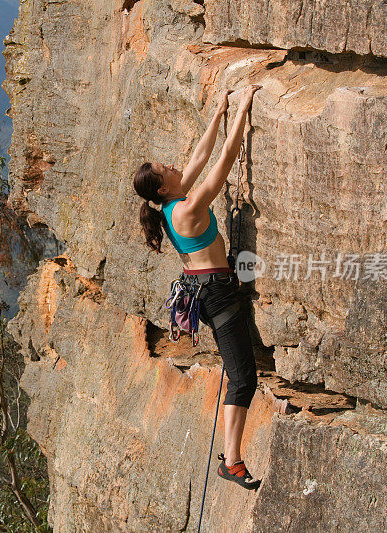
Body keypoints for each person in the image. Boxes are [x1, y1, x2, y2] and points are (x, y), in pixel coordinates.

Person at [132, 84, 261, 489]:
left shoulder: (171, 202)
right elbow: (223, 160)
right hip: (216, 293)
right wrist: (243, 109)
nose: (172, 165)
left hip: (202, 289)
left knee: (239, 369)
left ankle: (233, 457)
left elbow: (200, 156)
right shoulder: (187, 208)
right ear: (162, 187)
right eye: (164, 168)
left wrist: (219, 112)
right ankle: (233, 460)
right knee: (242, 377)